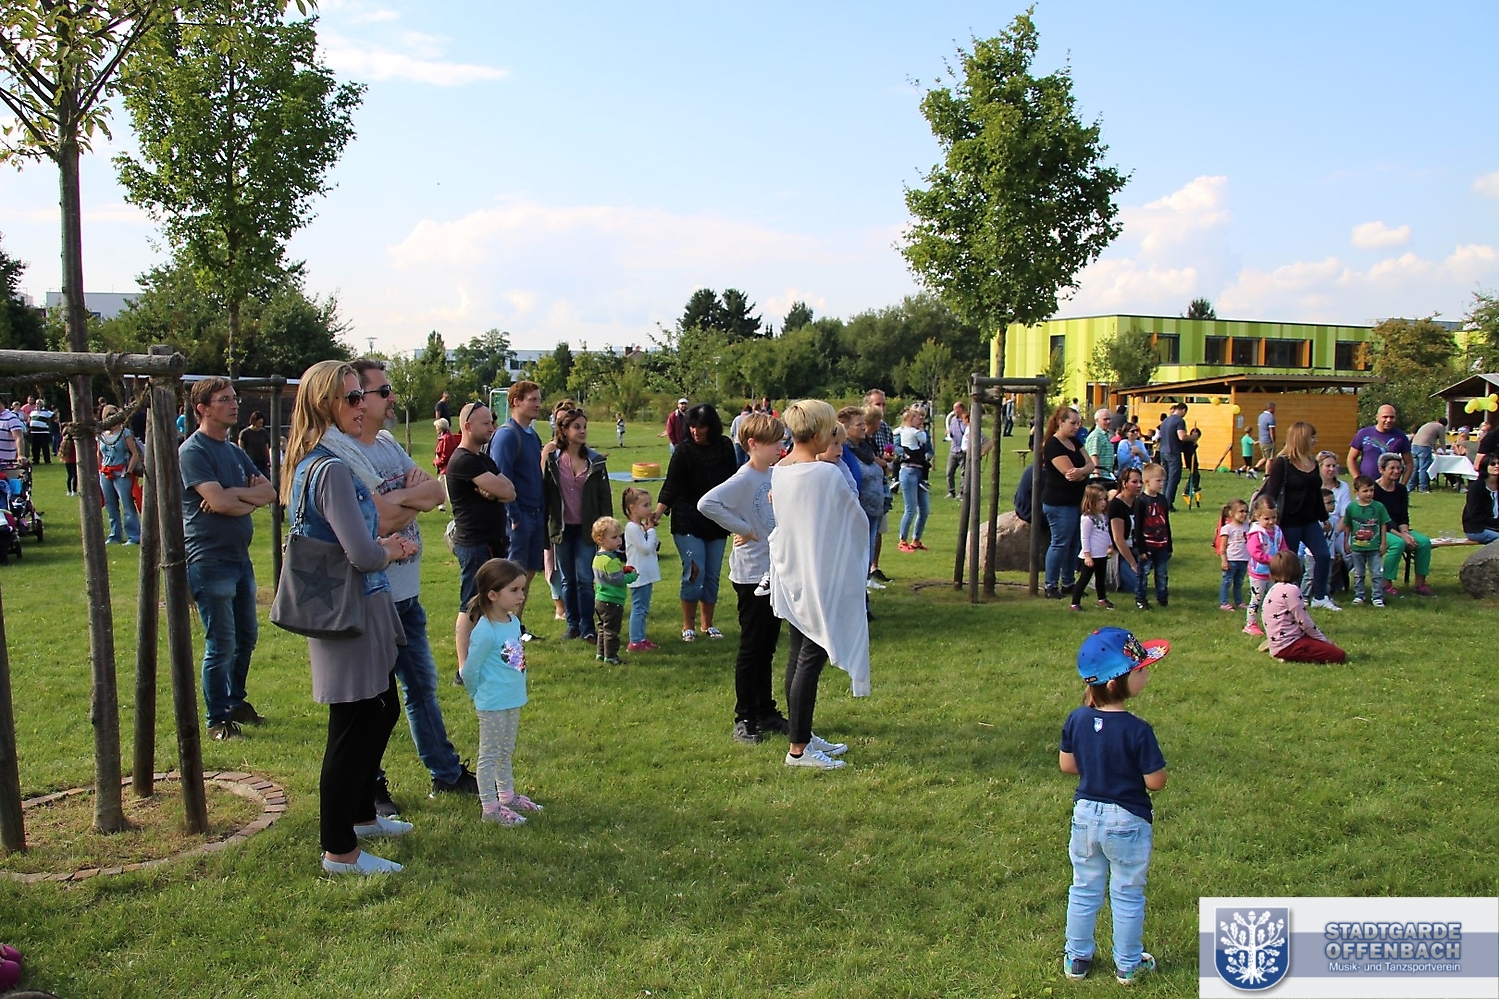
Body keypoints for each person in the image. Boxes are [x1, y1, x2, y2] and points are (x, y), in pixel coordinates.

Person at [283, 360, 417, 876]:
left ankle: (361, 816)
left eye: (364, 395)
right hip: (351, 607)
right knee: (353, 725)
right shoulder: (332, 468)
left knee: (379, 709)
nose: (363, 406)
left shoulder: (318, 462)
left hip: (359, 604)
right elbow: (360, 553)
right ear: (326, 405)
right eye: (353, 397)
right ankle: (340, 850)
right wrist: (391, 549)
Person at [348, 360, 477, 806]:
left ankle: (446, 773)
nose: (392, 398)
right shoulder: (346, 455)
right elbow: (379, 520)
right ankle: (371, 784)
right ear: (358, 398)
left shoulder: (386, 443)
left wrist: (394, 499)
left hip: (407, 597)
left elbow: (436, 493)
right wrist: (405, 499)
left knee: (422, 689)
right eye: (383, 391)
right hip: (374, 597)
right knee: (374, 700)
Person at [1060, 626, 1168, 986]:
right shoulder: (1138, 730)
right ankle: (1128, 964)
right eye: (1140, 670)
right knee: (1127, 893)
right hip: (1128, 820)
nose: (1146, 674)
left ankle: (1076, 959)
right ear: (1113, 683)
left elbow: (1067, 765)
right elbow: (1156, 781)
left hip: (1085, 817)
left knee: (1084, 888)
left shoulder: (1076, 718)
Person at [769, 400, 868, 770]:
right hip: (820, 574)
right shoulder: (825, 474)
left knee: (799, 654)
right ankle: (798, 749)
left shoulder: (781, 469)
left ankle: (804, 734)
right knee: (809, 658)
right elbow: (853, 515)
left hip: (793, 572)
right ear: (815, 434)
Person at [179, 377, 278, 740]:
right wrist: (236, 499)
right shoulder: (193, 452)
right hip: (209, 560)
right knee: (221, 643)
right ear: (202, 408)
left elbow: (270, 492)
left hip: (239, 559)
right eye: (224, 399)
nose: (234, 404)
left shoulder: (234, 452)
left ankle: (236, 701)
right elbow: (217, 503)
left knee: (246, 636)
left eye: (234, 398)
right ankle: (217, 719)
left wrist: (232, 496)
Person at [698, 412, 790, 745]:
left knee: (766, 647)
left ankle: (765, 710)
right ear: (753, 444)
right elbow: (707, 503)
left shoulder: (775, 474)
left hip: (774, 570)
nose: (780, 447)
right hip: (751, 574)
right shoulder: (744, 477)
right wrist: (743, 528)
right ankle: (745, 717)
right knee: (752, 648)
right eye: (774, 442)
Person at [458, 558, 543, 827]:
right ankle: (490, 808)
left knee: (506, 750)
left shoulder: (512, 622)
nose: (522, 595)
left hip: (511, 698)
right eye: (514, 590)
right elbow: (470, 670)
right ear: (493, 595)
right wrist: (478, 693)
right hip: (492, 702)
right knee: (490, 755)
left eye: (522, 589)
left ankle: (507, 797)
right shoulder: (485, 631)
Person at [655, 403, 736, 642]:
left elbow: (734, 482)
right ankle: (687, 625)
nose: (695, 431)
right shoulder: (683, 451)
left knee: (712, 575)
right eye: (691, 426)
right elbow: (671, 485)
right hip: (687, 517)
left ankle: (707, 624)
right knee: (694, 571)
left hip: (716, 519)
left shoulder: (725, 447)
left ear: (711, 427)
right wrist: (657, 513)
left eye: (700, 427)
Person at [448, 402, 517, 677]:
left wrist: (497, 493)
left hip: (492, 541)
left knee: (494, 604)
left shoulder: (483, 459)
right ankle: (464, 668)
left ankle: (492, 661)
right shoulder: (464, 460)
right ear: (468, 426)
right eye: (486, 423)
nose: (492, 427)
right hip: (474, 543)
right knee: (471, 604)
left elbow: (509, 490)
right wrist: (499, 491)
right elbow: (505, 489)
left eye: (492, 421)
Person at [544, 408, 612, 642]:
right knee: (567, 579)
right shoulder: (553, 460)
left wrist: (607, 529)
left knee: (584, 578)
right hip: (563, 529)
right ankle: (572, 625)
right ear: (564, 430)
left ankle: (588, 627)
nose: (582, 431)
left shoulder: (595, 460)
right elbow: (546, 496)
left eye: (584, 427)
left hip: (586, 530)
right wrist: (546, 528)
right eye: (577, 427)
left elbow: (604, 497)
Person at [1262, 421, 1341, 611]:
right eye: (1312, 437)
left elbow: (1316, 494)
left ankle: (1320, 596)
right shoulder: (1282, 463)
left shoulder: (1312, 462)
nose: (1315, 440)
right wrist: (1268, 519)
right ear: (1301, 438)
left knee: (1323, 555)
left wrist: (1324, 517)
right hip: (1289, 521)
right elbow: (1271, 493)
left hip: (1309, 520)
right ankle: (1288, 597)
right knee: (1290, 562)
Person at [489, 381, 546, 636]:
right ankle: (502, 629)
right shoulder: (507, 435)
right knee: (511, 576)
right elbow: (501, 478)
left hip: (535, 514)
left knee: (526, 575)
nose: (538, 404)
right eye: (532, 399)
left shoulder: (532, 435)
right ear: (516, 402)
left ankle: (516, 626)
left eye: (538, 399)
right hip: (518, 517)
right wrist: (514, 515)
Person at [1041, 407, 1095, 599]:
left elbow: (1091, 464)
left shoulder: (1074, 441)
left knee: (1074, 544)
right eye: (1073, 423)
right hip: (1059, 503)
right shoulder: (1053, 445)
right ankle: (1050, 585)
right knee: (1060, 543)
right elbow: (1069, 473)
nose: (1076, 426)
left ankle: (1068, 582)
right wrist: (1082, 472)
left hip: (1076, 501)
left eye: (1078, 423)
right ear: (1060, 422)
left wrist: (1082, 471)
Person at [1263, 551, 1347, 663]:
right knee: (1338, 655)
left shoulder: (1274, 589)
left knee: (1317, 644)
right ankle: (1283, 654)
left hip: (1280, 639)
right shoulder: (1291, 590)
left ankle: (1276, 648)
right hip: (1289, 644)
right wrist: (1323, 640)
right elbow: (1304, 622)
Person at [1372, 453, 1432, 597]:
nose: (1397, 471)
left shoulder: (1400, 489)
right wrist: (1402, 536)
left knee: (1424, 542)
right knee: (1398, 544)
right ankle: (1386, 583)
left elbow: (1403, 515)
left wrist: (1406, 533)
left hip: (1398, 528)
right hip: (1378, 528)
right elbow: (1382, 519)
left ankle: (1420, 584)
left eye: (1399, 468)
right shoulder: (1373, 489)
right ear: (1381, 469)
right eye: (1392, 468)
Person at [589, 516, 636, 664]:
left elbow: (609, 576)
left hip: (600, 599)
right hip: (612, 600)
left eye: (619, 537)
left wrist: (622, 570)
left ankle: (601, 653)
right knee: (612, 631)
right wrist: (632, 576)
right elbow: (618, 580)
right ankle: (611, 656)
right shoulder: (611, 560)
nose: (619, 541)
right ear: (600, 539)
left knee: (602, 628)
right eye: (614, 537)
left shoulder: (598, 557)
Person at [621, 487, 660, 652]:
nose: (650, 509)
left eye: (650, 504)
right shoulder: (632, 528)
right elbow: (645, 548)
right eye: (645, 505)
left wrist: (649, 529)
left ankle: (641, 638)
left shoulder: (640, 527)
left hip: (646, 574)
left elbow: (653, 546)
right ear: (633, 508)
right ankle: (635, 641)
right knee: (639, 608)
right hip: (638, 575)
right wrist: (651, 531)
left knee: (643, 608)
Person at [97, 405, 143, 544]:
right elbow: (99, 454)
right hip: (105, 473)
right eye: (109, 414)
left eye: (114, 414)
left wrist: (129, 470)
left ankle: (134, 536)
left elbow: (135, 453)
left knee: (127, 505)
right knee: (110, 506)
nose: (112, 417)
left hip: (121, 472)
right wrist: (99, 470)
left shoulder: (125, 433)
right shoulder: (101, 435)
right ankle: (114, 535)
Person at [1344, 475, 1390, 607]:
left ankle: (1377, 597)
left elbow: (1383, 525)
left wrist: (1383, 543)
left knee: (1376, 573)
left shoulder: (1379, 507)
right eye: (1365, 491)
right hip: (1357, 547)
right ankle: (1359, 595)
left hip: (1374, 547)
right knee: (1358, 573)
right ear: (1356, 492)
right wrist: (1346, 542)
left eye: (1371, 490)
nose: (1369, 493)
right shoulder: (1351, 508)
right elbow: (1348, 526)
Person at [1132, 463, 1172, 610]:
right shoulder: (1141, 501)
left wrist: (1169, 545)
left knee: (1162, 573)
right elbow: (1138, 527)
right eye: (1158, 481)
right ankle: (1141, 598)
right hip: (1147, 544)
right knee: (1143, 573)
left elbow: (1166, 522)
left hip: (1162, 544)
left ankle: (1162, 597)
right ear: (1147, 481)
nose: (1161, 484)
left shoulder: (1162, 500)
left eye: (1163, 481)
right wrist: (1141, 549)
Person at [894, 405, 933, 551]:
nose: (921, 419)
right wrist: (905, 454)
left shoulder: (922, 433)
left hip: (920, 472)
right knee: (910, 508)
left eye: (923, 416)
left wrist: (925, 457)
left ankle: (916, 540)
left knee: (924, 510)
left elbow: (929, 449)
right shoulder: (903, 431)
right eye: (918, 416)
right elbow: (895, 445)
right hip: (908, 471)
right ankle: (902, 540)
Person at [1069, 483, 1114, 612]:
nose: (1103, 503)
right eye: (1100, 500)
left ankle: (1102, 598)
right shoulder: (1087, 519)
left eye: (1105, 499)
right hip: (1091, 556)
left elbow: (1106, 532)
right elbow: (1084, 537)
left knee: (1100, 578)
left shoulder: (1104, 516)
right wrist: (1087, 555)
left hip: (1101, 554)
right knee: (1084, 580)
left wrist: (1110, 545)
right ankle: (1075, 602)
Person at [1244, 496, 1283, 638]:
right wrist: (1272, 560)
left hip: (1274, 571)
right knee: (1257, 599)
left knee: (1273, 599)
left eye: (1274, 517)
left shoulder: (1277, 531)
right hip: (1258, 573)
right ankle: (1250, 624)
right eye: (1267, 519)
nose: (1271, 521)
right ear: (1257, 516)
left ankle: (1273, 622)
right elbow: (1255, 552)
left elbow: (1283, 546)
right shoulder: (1256, 533)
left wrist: (1283, 558)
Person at [1347, 404, 1412, 484]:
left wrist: (1403, 484)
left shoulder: (1400, 437)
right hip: (1367, 484)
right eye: (1385, 417)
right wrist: (1357, 479)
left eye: (1392, 417)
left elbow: (1409, 463)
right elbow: (1351, 459)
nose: (1388, 420)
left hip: (1390, 486)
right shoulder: (1363, 433)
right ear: (1377, 417)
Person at [1107, 467, 1143, 598]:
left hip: (1136, 548)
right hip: (1119, 553)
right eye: (1134, 482)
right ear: (1124, 483)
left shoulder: (1139, 502)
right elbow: (1118, 539)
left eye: (1141, 482)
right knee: (1136, 586)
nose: (1139, 485)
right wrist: (1132, 563)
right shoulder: (1116, 505)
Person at [1217, 499, 1250, 611]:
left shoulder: (1247, 526)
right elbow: (1222, 547)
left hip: (1244, 559)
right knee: (1227, 582)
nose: (1244, 514)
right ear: (1231, 513)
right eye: (1241, 511)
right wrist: (1224, 560)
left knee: (1239, 582)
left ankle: (1238, 601)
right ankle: (1223, 602)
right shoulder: (1227, 528)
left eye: (1246, 511)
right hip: (1231, 559)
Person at [1155, 403, 1188, 509]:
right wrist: (1193, 438)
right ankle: (1168, 503)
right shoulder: (1179, 421)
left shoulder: (1165, 421)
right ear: (1183, 410)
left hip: (1163, 451)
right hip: (1173, 452)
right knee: (1174, 478)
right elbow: (1182, 436)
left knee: (1165, 478)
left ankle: (1163, 501)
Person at [1462, 453, 1499, 544]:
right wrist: (1495, 522)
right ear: (1485, 467)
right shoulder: (1476, 487)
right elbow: (1475, 516)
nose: (1497, 466)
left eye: (1498, 463)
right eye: (1492, 464)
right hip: (1477, 529)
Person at [1410, 417, 1447, 493]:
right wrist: (1444, 451)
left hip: (1414, 445)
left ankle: (1411, 486)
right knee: (1424, 468)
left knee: (1415, 468)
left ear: (1437, 420)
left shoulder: (1429, 424)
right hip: (1424, 447)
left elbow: (1429, 438)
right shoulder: (1441, 427)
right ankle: (1423, 488)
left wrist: (1434, 448)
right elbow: (1442, 440)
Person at [235, 411, 271, 478]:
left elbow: (266, 447)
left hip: (263, 463)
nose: (261, 425)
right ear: (254, 421)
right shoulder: (244, 433)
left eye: (262, 423)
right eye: (259, 423)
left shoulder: (263, 432)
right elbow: (241, 449)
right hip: (251, 463)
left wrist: (268, 460)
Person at [1317, 451, 1351, 522]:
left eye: (1334, 466)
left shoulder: (1343, 486)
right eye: (1328, 466)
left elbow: (1345, 516)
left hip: (1337, 526)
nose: (1332, 469)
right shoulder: (1312, 486)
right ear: (1319, 467)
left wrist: (1337, 529)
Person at [432, 417, 458, 507]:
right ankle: (442, 505)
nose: (436, 429)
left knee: (448, 489)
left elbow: (446, 455)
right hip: (443, 468)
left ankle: (454, 506)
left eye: (436, 427)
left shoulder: (447, 438)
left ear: (440, 428)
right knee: (441, 485)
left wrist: (437, 462)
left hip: (447, 468)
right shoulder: (443, 437)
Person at [1084, 408, 1115, 479]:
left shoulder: (1105, 435)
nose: (1108, 421)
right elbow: (1093, 456)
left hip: (1107, 475)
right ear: (1096, 421)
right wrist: (1097, 475)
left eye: (1109, 419)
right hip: (1100, 476)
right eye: (1105, 419)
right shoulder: (1096, 436)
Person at [945, 401, 968, 499]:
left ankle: (962, 493)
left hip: (963, 451)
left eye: (956, 408)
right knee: (949, 472)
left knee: (964, 473)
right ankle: (951, 492)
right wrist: (949, 433)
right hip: (953, 450)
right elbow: (951, 431)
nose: (954, 410)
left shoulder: (966, 420)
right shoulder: (953, 420)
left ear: (961, 409)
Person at [26, 400, 52, 465]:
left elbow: (54, 418)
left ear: (43, 404)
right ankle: (36, 460)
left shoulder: (47, 412)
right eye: (37, 403)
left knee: (45, 447)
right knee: (35, 447)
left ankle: (47, 460)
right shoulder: (33, 412)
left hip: (43, 432)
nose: (38, 405)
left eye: (39, 403)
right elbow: (29, 419)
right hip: (34, 432)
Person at [1256, 402, 1276, 473]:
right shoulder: (1270, 417)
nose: (1274, 410)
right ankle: (1266, 475)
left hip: (1261, 440)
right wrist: (1273, 441)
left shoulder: (1260, 416)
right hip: (1268, 441)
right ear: (1270, 408)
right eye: (1273, 409)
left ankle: (1254, 469)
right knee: (1270, 459)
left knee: (1264, 457)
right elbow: (1271, 431)